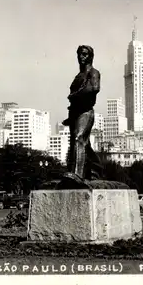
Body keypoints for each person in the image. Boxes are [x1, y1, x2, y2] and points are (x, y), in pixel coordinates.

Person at [63, 45, 103, 183]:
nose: (81, 57)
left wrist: (75, 95)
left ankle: (77, 175)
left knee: (79, 139)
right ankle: (95, 170)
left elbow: (94, 88)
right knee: (83, 144)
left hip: (86, 111)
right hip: (75, 112)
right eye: (80, 54)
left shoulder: (93, 73)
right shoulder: (78, 76)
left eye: (85, 54)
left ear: (90, 56)